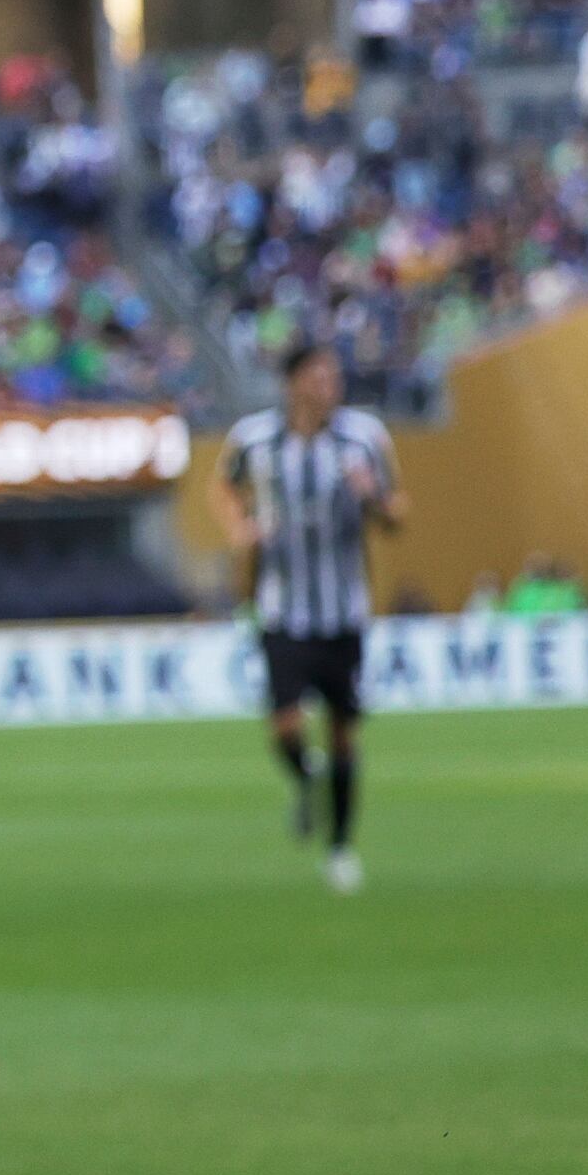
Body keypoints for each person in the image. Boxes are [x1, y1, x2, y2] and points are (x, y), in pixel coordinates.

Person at [222, 339, 403, 894]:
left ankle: (340, 848)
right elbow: (222, 487)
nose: (330, 386)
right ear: (293, 383)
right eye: (319, 377)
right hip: (282, 610)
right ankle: (307, 777)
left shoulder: (364, 438)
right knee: (284, 726)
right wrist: (240, 529)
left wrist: (373, 497)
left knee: (344, 733)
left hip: (344, 612)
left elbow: (398, 513)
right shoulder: (255, 439)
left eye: (333, 377)